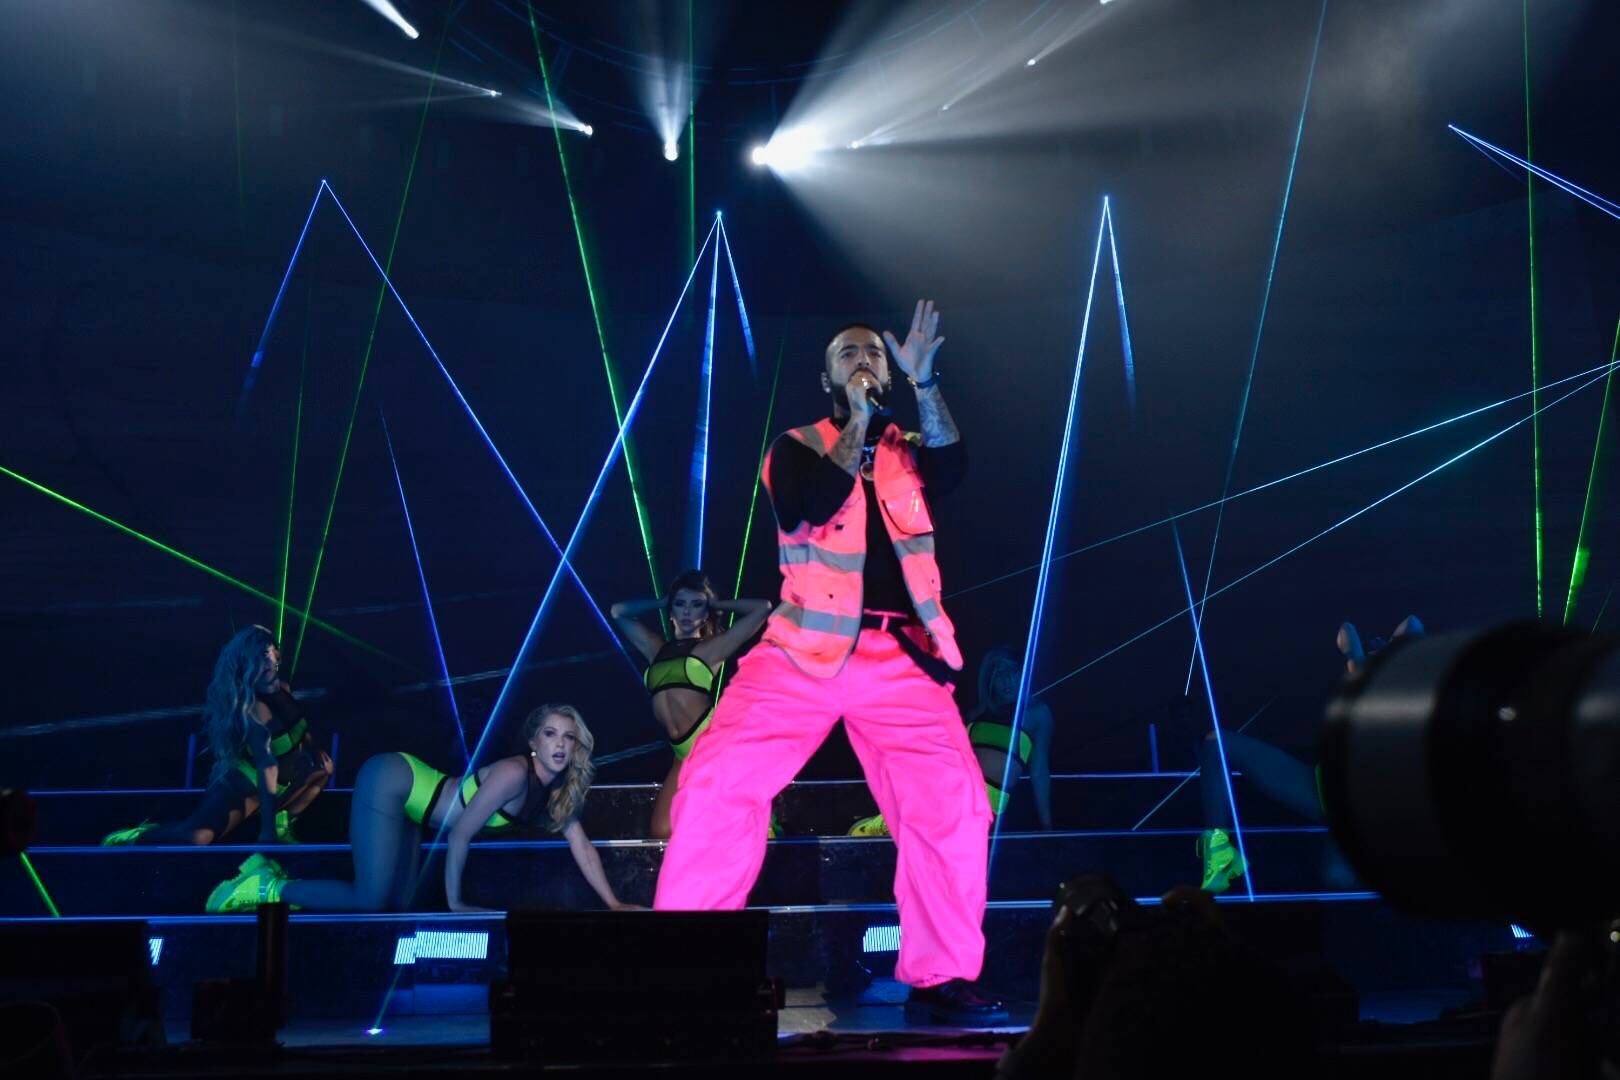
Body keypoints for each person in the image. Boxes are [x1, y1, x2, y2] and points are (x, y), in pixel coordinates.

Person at [654, 301, 1005, 1026]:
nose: (863, 360)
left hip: (902, 657)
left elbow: (956, 466)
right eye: (847, 354)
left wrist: (925, 383)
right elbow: (810, 506)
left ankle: (941, 976)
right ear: (827, 379)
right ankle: (689, 967)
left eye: (872, 352)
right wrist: (858, 422)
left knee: (954, 804)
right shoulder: (795, 447)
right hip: (800, 650)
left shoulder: (911, 451)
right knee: (716, 784)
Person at [204, 704, 637, 913]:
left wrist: (615, 904)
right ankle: (267, 885)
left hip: (414, 806)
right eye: (550, 734)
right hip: (391, 781)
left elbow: (583, 848)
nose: (560, 744)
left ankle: (281, 890)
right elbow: (460, 833)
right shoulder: (513, 773)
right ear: (533, 742)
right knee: (370, 900)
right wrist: (456, 903)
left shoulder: (556, 791)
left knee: (399, 907)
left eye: (568, 737)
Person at [1196, 615, 1425, 893]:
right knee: (1216, 743)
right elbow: (1352, 636)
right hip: (1317, 787)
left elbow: (1406, 626)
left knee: (1338, 877)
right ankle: (1220, 853)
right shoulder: (1362, 677)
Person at [102, 625, 332, 847]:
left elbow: (298, 725)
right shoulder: (252, 708)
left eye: (268, 652)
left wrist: (314, 749)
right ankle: (138, 836)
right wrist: (266, 832)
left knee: (324, 769)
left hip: (284, 782)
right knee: (196, 839)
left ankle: (283, 824)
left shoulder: (284, 689)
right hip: (246, 789)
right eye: (257, 656)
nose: (266, 661)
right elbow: (267, 765)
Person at [610, 571, 772, 840]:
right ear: (671, 611)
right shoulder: (656, 648)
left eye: (696, 605)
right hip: (681, 753)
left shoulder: (711, 649)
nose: (687, 611)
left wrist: (716, 604)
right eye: (680, 604)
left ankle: (762, 829)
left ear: (705, 613)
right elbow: (618, 612)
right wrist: (662, 601)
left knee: (720, 825)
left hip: (711, 746)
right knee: (662, 831)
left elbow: (762, 608)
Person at [848, 645, 1054, 836]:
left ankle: (897, 821)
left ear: (1023, 673)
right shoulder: (976, 714)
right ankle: (895, 820)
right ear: (989, 679)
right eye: (1000, 673)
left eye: (1013, 671)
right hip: (950, 794)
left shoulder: (1037, 713)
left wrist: (1047, 828)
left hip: (980, 808)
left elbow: (1039, 772)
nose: (1007, 680)